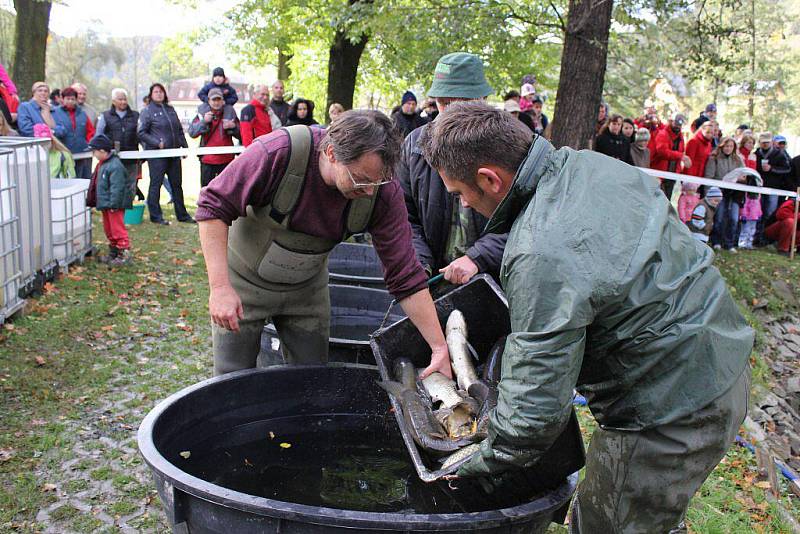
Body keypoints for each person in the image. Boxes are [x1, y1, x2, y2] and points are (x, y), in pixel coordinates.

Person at [422, 101, 751, 532]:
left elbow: (532, 416)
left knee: (605, 523)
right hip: (722, 357)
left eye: (460, 194)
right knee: (648, 516)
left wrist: (471, 461)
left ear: (489, 178)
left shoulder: (539, 250)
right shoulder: (593, 166)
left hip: (670, 408)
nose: (464, 204)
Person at [195, 110, 452, 379]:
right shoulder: (278, 152)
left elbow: (405, 274)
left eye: (377, 182)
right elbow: (213, 207)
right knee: (231, 379)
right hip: (243, 283)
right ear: (331, 153)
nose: (368, 191)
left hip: (307, 289)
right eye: (360, 179)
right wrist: (220, 288)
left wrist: (438, 346)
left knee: (313, 379)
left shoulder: (382, 191)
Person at [397, 52, 506, 285]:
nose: (452, 114)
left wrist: (478, 257)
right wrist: (419, 264)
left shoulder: (508, 146)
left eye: (463, 104)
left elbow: (528, 220)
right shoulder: (415, 146)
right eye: (445, 103)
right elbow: (404, 216)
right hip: (435, 277)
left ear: (483, 99)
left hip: (496, 278)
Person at [137, 83, 195, 225]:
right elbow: (141, 132)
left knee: (177, 185)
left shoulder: (170, 109)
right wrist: (157, 142)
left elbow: (179, 130)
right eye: (156, 92)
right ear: (151, 94)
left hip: (174, 154)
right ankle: (156, 216)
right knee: (155, 185)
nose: (159, 94)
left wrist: (184, 147)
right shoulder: (147, 111)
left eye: (161, 91)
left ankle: (182, 215)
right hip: (157, 156)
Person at [86, 134, 135, 266]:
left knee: (117, 229)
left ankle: (124, 253)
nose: (93, 154)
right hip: (106, 203)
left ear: (102, 151)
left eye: (94, 151)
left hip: (114, 204)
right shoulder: (103, 164)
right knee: (109, 229)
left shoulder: (114, 166)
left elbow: (117, 187)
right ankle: (113, 252)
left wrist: (114, 204)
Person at [188, 88, 241, 187]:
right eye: (214, 100)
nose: (216, 102)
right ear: (208, 101)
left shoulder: (230, 113)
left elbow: (241, 135)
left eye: (218, 99)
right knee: (207, 191)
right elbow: (192, 133)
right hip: (207, 160)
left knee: (226, 190)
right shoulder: (201, 113)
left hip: (226, 159)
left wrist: (233, 127)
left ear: (223, 100)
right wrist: (204, 121)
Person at [96, 88, 141, 197]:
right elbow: (99, 135)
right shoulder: (105, 116)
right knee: (114, 184)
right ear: (113, 101)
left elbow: (141, 135)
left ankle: (130, 210)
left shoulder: (136, 115)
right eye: (120, 99)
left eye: (125, 99)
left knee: (131, 184)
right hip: (112, 159)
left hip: (132, 159)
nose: (123, 102)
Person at [705, 136, 746, 252]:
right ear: (722, 146)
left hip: (734, 194)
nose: (728, 149)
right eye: (726, 146)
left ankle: (729, 243)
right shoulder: (714, 158)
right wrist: (709, 196)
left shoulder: (738, 159)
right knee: (719, 218)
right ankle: (716, 241)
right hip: (718, 192)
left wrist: (741, 179)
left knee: (733, 218)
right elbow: (709, 177)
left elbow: (744, 175)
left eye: (731, 146)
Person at [756, 133, 792, 243]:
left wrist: (772, 168)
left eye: (767, 142)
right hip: (759, 188)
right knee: (758, 213)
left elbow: (787, 169)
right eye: (763, 142)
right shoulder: (757, 153)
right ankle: (756, 236)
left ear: (771, 142)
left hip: (774, 189)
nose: (765, 144)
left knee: (770, 213)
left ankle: (766, 237)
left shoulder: (779, 154)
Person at [52, 87, 95, 179]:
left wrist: (88, 143)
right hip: (64, 153)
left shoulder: (82, 113)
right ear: (62, 99)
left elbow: (90, 131)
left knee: (83, 180)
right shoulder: (54, 113)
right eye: (68, 99)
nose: (70, 101)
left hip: (83, 153)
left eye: (73, 99)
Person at [738, 179, 762, 250]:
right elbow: (744, 206)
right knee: (745, 230)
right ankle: (742, 244)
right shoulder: (746, 196)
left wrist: (759, 214)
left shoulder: (757, 197)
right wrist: (743, 215)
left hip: (755, 217)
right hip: (747, 217)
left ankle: (749, 243)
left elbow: (758, 206)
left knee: (752, 231)